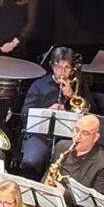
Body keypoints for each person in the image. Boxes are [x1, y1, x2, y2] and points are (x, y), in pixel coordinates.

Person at [18, 47, 77, 178]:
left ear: (72, 70)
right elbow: (24, 114)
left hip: (67, 138)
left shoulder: (78, 86)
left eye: (67, 68)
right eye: (58, 67)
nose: (62, 72)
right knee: (31, 161)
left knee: (70, 169)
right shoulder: (39, 85)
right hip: (40, 134)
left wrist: (72, 96)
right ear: (51, 66)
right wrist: (47, 111)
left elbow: (89, 113)